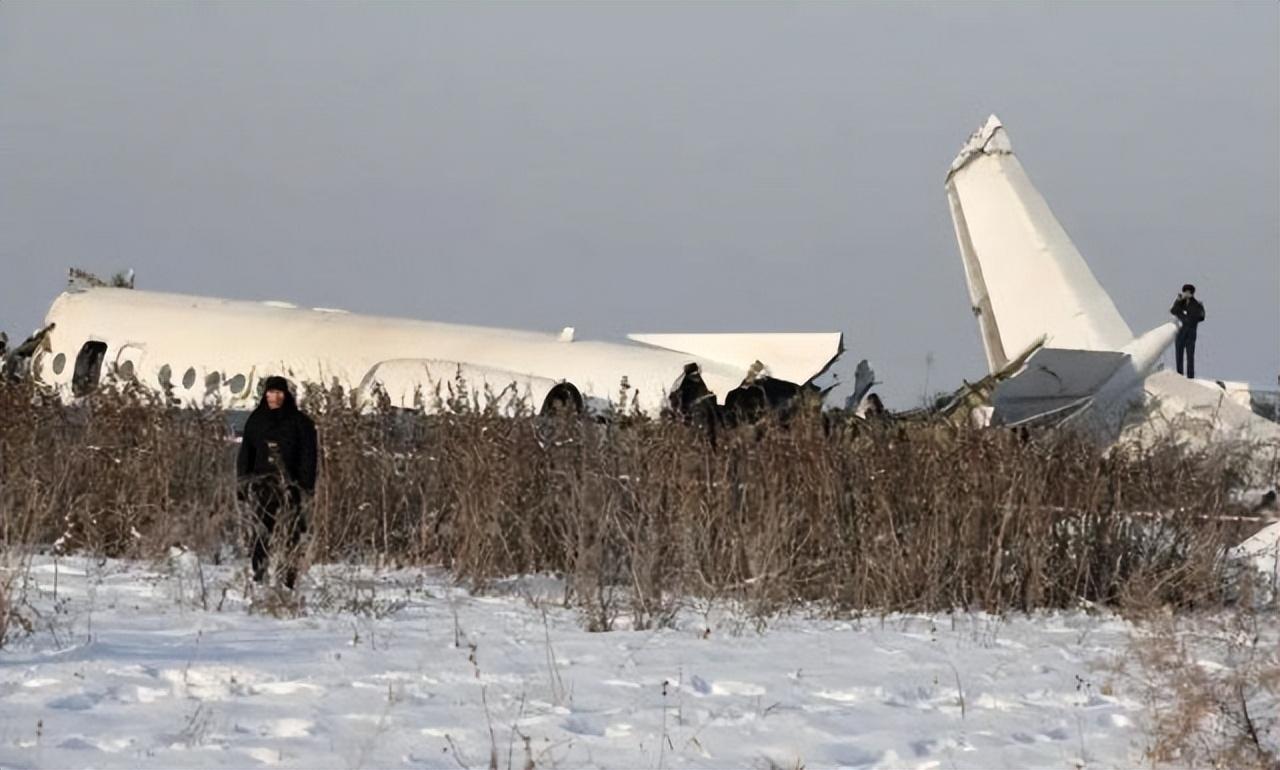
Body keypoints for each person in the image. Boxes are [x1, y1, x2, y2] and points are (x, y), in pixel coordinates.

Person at [236, 376, 318, 589]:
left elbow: (309, 456)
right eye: (270, 392)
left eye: (279, 393)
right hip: (263, 485)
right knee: (263, 530)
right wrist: (242, 484)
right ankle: (259, 574)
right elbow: (246, 453)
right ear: (264, 394)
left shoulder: (301, 422)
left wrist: (305, 486)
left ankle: (289, 578)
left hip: (292, 486)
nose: (274, 397)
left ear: (287, 395)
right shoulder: (257, 419)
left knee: (293, 532)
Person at [1169, 284, 1206, 378]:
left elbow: (1201, 317)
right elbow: (1173, 311)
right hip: (1181, 333)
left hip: (1190, 333)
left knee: (1190, 355)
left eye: (1188, 292)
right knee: (1179, 354)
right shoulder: (1181, 303)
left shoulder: (1197, 304)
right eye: (1185, 292)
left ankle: (1190, 376)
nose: (1186, 294)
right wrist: (1178, 300)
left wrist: (1185, 316)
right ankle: (1179, 375)